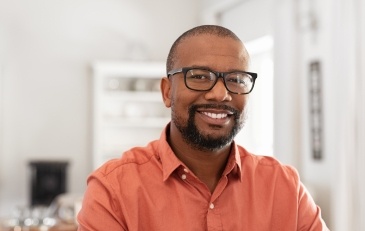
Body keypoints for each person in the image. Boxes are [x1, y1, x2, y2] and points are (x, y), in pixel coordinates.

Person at [77, 25, 329, 230]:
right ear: (167, 92)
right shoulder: (113, 190)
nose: (220, 94)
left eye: (236, 79)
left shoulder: (284, 186)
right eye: (199, 76)